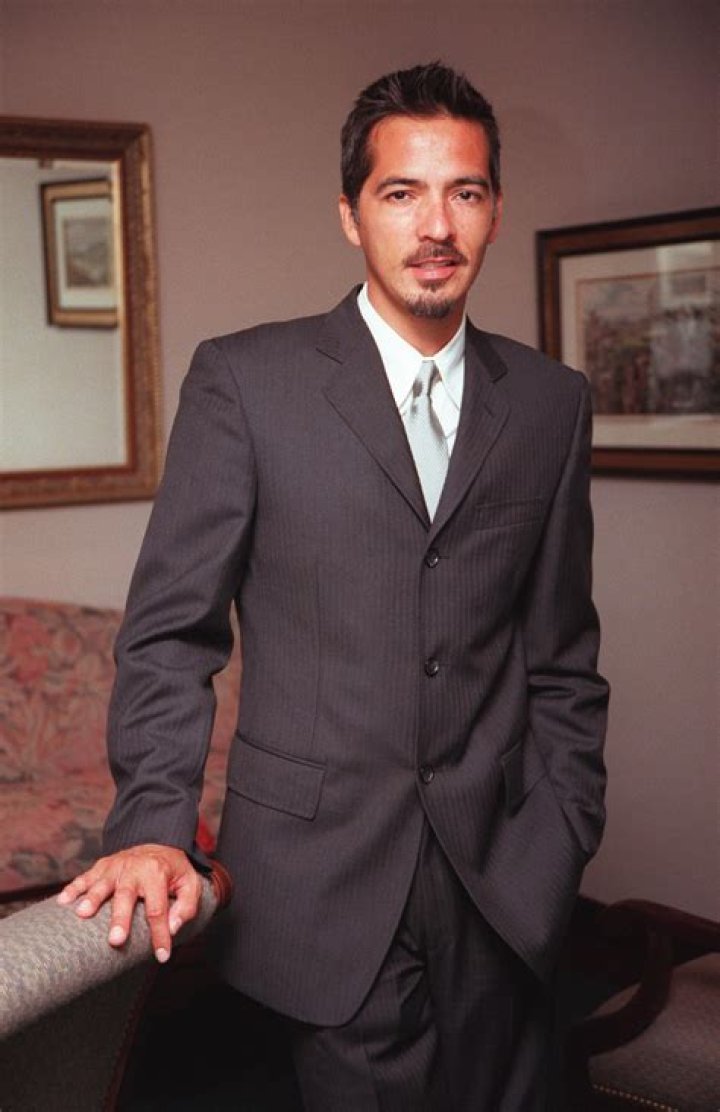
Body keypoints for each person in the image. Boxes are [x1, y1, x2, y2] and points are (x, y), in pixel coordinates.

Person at [59, 61, 609, 1110]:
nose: (435, 225)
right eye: (401, 192)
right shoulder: (246, 383)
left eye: (465, 191)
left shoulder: (552, 403)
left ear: (495, 211)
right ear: (351, 215)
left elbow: (563, 657)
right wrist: (153, 823)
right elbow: (172, 633)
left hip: (507, 882)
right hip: (319, 884)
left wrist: (563, 831)